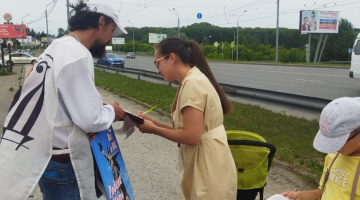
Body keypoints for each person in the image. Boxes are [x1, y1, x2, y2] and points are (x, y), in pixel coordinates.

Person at [0, 0, 127, 199]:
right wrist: (112, 111)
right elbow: (90, 120)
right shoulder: (77, 54)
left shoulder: (56, 47)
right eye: (111, 31)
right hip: (65, 166)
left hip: (48, 159)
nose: (110, 40)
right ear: (101, 22)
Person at [137, 37, 237, 199]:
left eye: (158, 63)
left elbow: (191, 137)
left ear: (171, 58)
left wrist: (154, 130)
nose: (157, 69)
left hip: (208, 167)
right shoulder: (192, 80)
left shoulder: (192, 85)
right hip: (210, 162)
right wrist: (152, 122)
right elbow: (187, 131)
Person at [281, 97, 360, 200]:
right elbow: (323, 190)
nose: (334, 148)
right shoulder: (332, 157)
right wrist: (300, 196)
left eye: (340, 141)